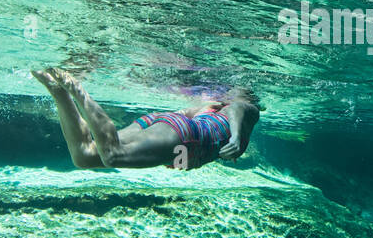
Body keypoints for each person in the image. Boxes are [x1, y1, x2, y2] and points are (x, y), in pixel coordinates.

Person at [32, 67, 260, 170]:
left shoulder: (211, 108)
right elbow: (239, 107)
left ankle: (58, 92)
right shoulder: (248, 110)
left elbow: (188, 114)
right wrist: (238, 138)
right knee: (113, 156)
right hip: (185, 138)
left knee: (84, 157)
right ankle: (77, 90)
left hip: (172, 127)